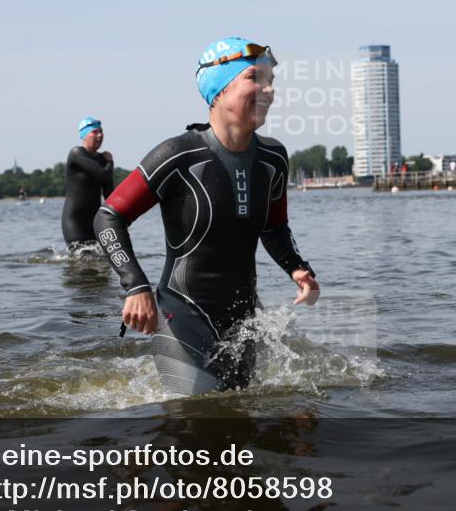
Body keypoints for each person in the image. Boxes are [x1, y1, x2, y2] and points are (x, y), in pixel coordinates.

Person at [94, 37, 320, 396]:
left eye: (271, 82)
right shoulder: (177, 155)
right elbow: (109, 216)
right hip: (184, 316)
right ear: (219, 89)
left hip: (244, 318)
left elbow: (274, 225)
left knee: (239, 420)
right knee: (195, 425)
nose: (268, 90)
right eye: (254, 78)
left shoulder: (273, 158)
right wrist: (135, 286)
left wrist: (296, 267)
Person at [62, 116, 114, 249]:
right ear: (84, 135)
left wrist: (117, 215)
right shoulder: (76, 153)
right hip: (75, 221)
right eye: (95, 132)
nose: (100, 135)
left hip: (95, 221)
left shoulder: (102, 160)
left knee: (100, 263)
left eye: (101, 132)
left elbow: (109, 192)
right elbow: (103, 175)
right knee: (81, 260)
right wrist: (110, 162)